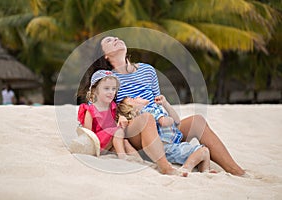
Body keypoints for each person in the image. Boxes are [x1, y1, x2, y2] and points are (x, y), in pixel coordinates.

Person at [78, 36, 245, 176]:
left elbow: (157, 102)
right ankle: (165, 167)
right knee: (147, 118)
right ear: (105, 56)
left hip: (161, 127)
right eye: (109, 40)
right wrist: (119, 117)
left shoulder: (147, 70)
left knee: (198, 120)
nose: (116, 39)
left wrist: (167, 118)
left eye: (117, 37)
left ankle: (237, 171)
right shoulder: (108, 78)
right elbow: (104, 108)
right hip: (136, 130)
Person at [117, 95, 215, 176]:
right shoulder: (148, 111)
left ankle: (204, 171)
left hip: (172, 143)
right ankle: (186, 169)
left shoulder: (154, 108)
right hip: (168, 146)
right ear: (131, 109)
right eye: (133, 99)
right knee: (204, 151)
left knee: (204, 152)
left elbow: (177, 120)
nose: (137, 96)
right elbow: (164, 122)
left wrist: (165, 104)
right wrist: (170, 120)